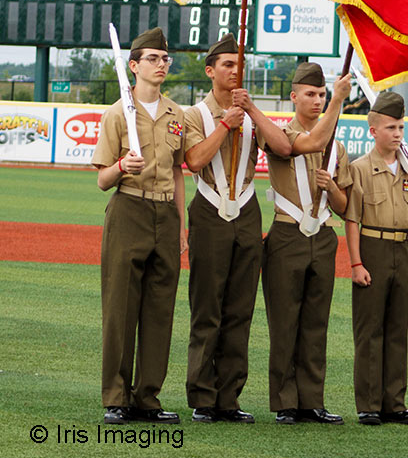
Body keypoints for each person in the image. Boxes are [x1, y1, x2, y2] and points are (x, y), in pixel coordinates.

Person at [184, 33, 291, 423]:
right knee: (207, 307)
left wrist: (253, 111)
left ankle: (229, 397)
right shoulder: (195, 114)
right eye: (227, 65)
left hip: (246, 212)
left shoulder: (249, 112)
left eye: (238, 64)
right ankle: (202, 395)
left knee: (240, 309)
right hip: (210, 210)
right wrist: (225, 125)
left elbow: (281, 147)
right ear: (211, 71)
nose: (234, 71)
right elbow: (194, 160)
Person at [92, 27, 187, 425]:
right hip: (128, 210)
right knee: (120, 308)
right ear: (133, 66)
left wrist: (181, 225)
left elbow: (179, 172)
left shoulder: (176, 114)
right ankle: (117, 395)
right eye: (152, 58)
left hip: (165, 214)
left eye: (165, 58)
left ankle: (147, 396)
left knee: (160, 310)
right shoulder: (117, 113)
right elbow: (101, 180)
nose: (161, 64)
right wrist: (120, 167)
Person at [345, 92, 408, 426]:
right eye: (391, 127)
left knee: (397, 328)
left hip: (404, 248)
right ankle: (369, 404)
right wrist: (356, 263)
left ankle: (395, 403)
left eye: (401, 126)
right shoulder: (359, 168)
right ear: (373, 131)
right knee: (369, 329)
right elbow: (352, 219)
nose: (398, 133)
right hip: (373, 246)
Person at [261, 63, 353, 425]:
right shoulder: (278, 134)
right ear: (294, 96)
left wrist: (332, 188)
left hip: (323, 235)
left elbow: (346, 208)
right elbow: (299, 145)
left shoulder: (338, 148)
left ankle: (312, 400)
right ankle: (285, 400)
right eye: (310, 94)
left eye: (322, 95)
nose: (317, 100)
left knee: (316, 323)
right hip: (287, 234)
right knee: (284, 322)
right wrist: (339, 103)